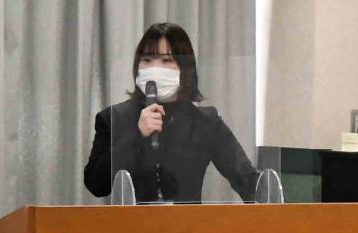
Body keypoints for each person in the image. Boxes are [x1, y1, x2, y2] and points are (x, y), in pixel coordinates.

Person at [82, 22, 258, 203]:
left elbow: (245, 177)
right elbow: (96, 184)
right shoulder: (114, 118)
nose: (154, 69)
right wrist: (136, 135)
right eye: (147, 60)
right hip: (131, 227)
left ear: (184, 69)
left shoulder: (204, 122)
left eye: (166, 61)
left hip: (187, 227)